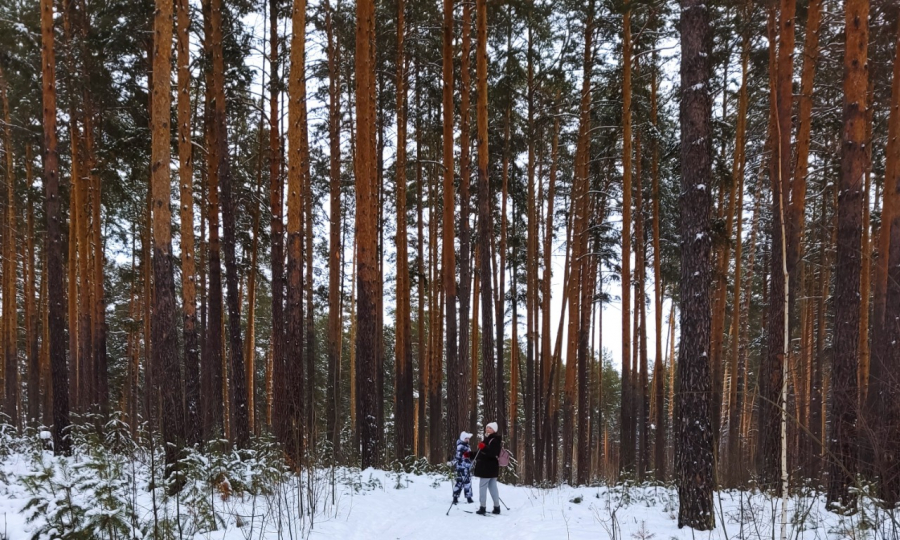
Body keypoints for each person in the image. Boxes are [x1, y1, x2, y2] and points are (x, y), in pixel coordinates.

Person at [472, 422, 502, 515]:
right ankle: (497, 507)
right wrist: (469, 455)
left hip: (487, 468)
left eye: (490, 428)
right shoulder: (489, 439)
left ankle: (482, 507)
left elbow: (492, 453)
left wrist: (484, 447)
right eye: (487, 427)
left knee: (483, 487)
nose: (488, 429)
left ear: (494, 430)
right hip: (491, 468)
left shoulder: (494, 440)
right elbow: (480, 453)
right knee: (493, 487)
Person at [447, 431, 474, 504]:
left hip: (466, 467)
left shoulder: (467, 446)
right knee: (462, 482)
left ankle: (465, 497)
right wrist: (452, 463)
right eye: (466, 438)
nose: (467, 440)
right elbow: (457, 457)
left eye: (468, 438)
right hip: (462, 467)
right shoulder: (461, 446)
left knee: (464, 482)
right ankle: (459, 497)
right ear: (462, 438)